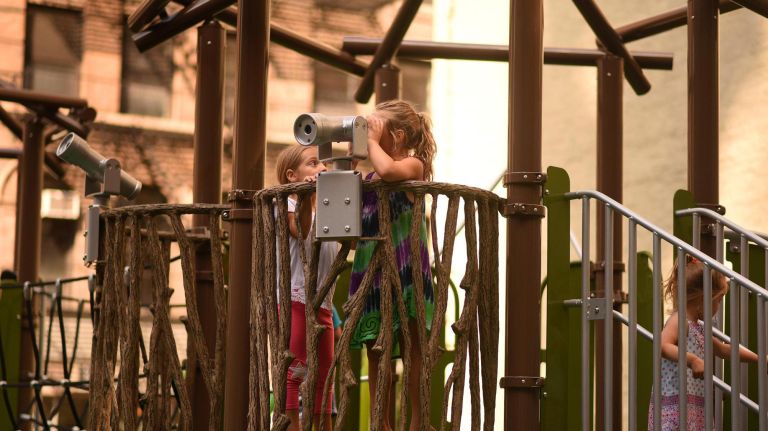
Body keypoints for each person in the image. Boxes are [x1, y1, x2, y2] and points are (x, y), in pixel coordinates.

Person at [348, 100, 436, 431]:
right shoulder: (370, 176)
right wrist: (350, 162)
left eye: (375, 127)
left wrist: (370, 142)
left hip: (407, 272)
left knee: (414, 352)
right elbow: (352, 227)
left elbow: (388, 172)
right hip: (374, 274)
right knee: (376, 351)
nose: (368, 133)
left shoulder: (413, 165)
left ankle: (417, 422)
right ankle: (380, 423)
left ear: (397, 136)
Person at [648, 256, 761, 431]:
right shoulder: (679, 320)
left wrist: (759, 359)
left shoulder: (698, 328)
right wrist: (692, 360)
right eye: (719, 300)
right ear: (704, 298)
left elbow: (724, 349)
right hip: (675, 404)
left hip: (692, 404)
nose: (718, 307)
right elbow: (662, 345)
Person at [275, 145, 337, 431]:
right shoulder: (289, 205)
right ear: (292, 175)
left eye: (323, 164)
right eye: (313, 163)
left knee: (325, 375)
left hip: (323, 302)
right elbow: (299, 229)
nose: (322, 168)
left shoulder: (324, 208)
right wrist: (304, 195)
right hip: (295, 299)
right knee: (295, 370)